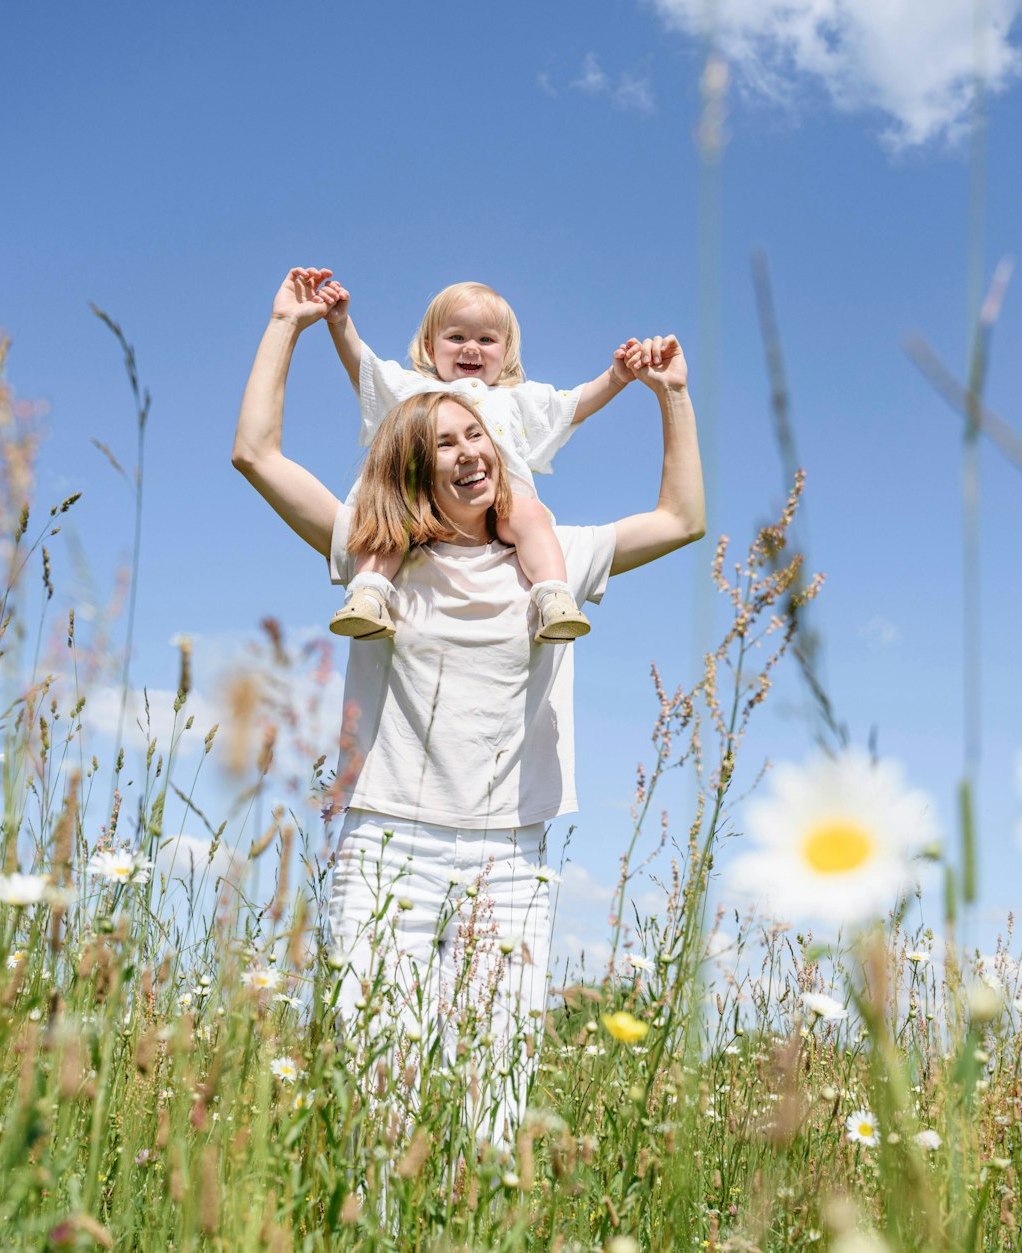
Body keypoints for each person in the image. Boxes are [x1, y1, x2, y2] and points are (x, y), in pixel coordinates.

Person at [230, 267, 704, 1150]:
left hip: (507, 861)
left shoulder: (554, 557)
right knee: (378, 1108)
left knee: (492, 1112)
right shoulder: (377, 556)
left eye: (477, 432)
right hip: (385, 849)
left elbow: (680, 518)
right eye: (444, 441)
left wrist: (671, 396)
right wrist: (285, 324)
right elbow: (257, 455)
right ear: (414, 463)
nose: (469, 450)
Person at [312, 273, 642, 645]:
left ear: (507, 351)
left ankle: (554, 596)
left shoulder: (514, 399)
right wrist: (340, 324)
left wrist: (616, 377)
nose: (472, 348)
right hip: (419, 501)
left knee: (531, 515)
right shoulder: (415, 389)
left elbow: (570, 406)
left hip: (495, 507)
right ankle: (368, 594)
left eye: (486, 339)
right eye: (457, 337)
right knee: (387, 522)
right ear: (429, 347)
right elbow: (365, 368)